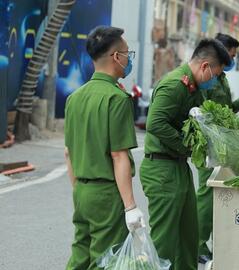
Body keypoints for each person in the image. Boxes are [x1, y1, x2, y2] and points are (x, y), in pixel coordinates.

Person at [140, 38, 231, 270]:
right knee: (165, 242)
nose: (215, 81)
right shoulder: (174, 85)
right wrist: (186, 147)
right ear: (204, 67)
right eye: (215, 75)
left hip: (178, 166)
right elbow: (155, 123)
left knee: (188, 237)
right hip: (161, 169)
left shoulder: (194, 88)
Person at [64, 26, 144, 270]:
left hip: (82, 190)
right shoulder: (116, 99)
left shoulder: (74, 98)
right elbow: (119, 155)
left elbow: (69, 152)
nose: (128, 60)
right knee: (106, 261)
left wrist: (79, 190)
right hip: (107, 195)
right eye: (127, 54)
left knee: (80, 256)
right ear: (116, 57)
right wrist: (130, 206)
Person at [196, 33, 239, 264]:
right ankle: (199, 244)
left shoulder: (222, 78)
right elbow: (203, 111)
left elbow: (226, 109)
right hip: (209, 143)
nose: (232, 60)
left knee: (217, 194)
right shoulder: (207, 77)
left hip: (222, 143)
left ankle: (213, 241)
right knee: (206, 194)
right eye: (230, 56)